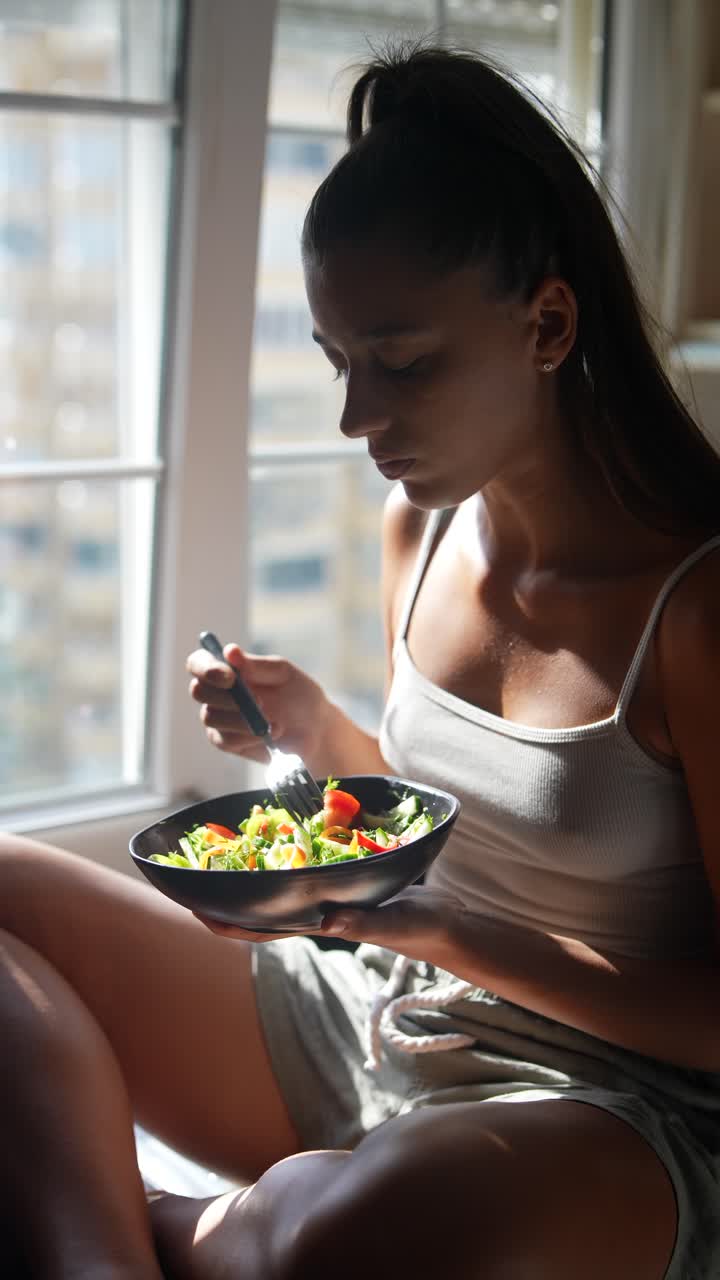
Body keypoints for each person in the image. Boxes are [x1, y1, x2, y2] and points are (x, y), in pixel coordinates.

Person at [3, 40, 720, 1280]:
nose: (356, 418)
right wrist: (322, 735)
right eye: (339, 360)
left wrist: (449, 934)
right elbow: (471, 822)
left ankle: (173, 1229)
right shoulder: (424, 528)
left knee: (358, 1232)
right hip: (387, 1011)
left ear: (548, 322)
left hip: (612, 1109)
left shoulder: (697, 608)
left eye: (404, 361)